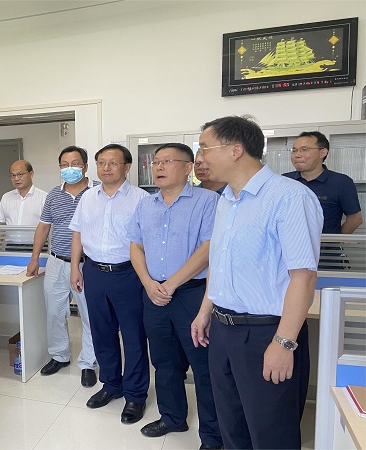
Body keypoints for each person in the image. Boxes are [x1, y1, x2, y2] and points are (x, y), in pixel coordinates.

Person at [191, 116, 323, 450]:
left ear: (235, 150)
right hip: (222, 330)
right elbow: (221, 262)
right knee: (232, 427)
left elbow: (303, 277)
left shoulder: (290, 197)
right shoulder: (226, 199)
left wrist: (284, 343)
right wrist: (206, 310)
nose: (200, 158)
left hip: (267, 333)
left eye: (204, 148)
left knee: (270, 433)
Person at [128, 143, 222, 448]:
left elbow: (208, 248)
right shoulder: (146, 204)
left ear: (188, 167)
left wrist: (170, 285)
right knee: (164, 360)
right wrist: (148, 283)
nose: (159, 167)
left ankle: (213, 435)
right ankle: (172, 417)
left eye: (167, 161)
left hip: (192, 295)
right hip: (153, 294)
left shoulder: (208, 201)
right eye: (156, 162)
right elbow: (135, 246)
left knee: (203, 365)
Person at [70, 144, 150, 425]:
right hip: (94, 272)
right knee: (101, 332)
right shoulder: (87, 197)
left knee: (133, 336)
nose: (106, 168)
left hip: (128, 274)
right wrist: (75, 268)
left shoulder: (142, 199)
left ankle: (135, 395)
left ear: (127, 167)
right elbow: (78, 233)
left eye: (112, 163)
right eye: (101, 162)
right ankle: (112, 385)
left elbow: (146, 241)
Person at [26, 146, 98, 388]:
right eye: (64, 165)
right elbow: (43, 227)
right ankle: (59, 355)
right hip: (56, 262)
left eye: (75, 163)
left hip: (88, 265)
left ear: (85, 166)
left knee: (89, 315)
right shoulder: (54, 195)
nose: (69, 169)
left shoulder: (97, 192)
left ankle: (88, 362)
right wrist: (35, 258)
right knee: (55, 312)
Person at [282, 131, 362, 234]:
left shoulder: (341, 182)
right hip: (290, 243)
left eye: (304, 150)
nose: (297, 155)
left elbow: (355, 219)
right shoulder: (284, 181)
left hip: (325, 244)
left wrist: (333, 240)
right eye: (294, 150)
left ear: (323, 153)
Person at [0, 160, 47, 225]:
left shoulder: (44, 198)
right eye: (13, 175)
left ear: (31, 174)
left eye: (20, 174)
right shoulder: (6, 197)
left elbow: (48, 226)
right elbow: (0, 223)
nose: (16, 179)